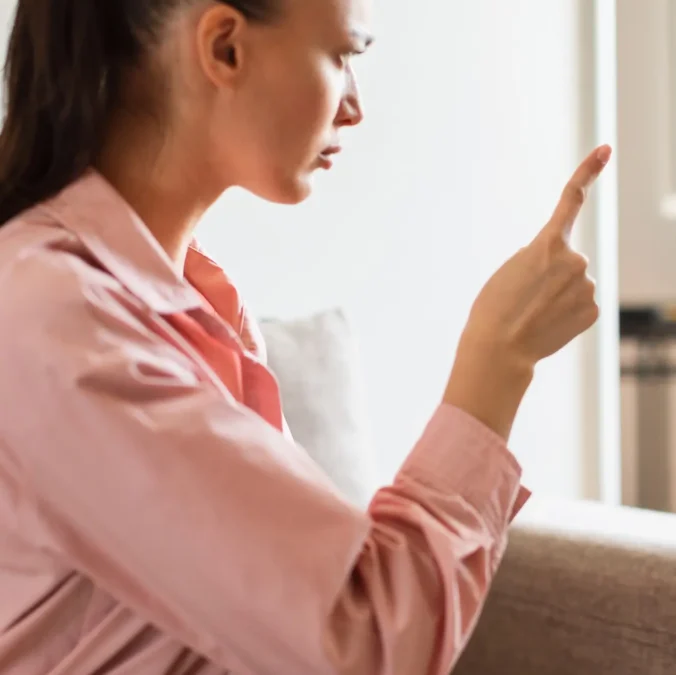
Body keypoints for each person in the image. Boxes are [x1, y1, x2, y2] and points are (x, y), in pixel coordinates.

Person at [0, 0, 610, 672]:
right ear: (225, 47)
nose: (355, 107)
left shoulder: (191, 304)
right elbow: (365, 642)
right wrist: (497, 360)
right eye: (343, 54)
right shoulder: (60, 322)